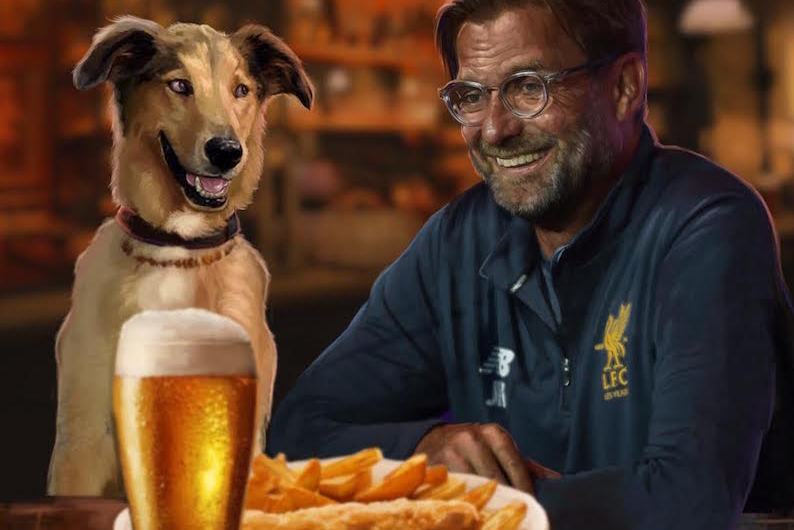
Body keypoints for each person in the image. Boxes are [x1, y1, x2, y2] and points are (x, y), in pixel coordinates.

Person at [267, 0, 794, 527]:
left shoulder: (707, 226)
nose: (494, 130)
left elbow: (688, 502)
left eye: (527, 86)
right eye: (471, 96)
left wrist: (470, 501)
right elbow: (298, 434)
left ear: (625, 87)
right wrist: (423, 449)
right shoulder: (456, 244)